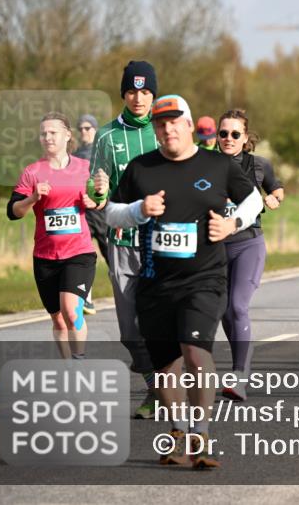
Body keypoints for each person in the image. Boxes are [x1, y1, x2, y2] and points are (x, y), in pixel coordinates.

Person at [104, 94, 262, 469]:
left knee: (195, 351)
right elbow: (111, 213)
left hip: (204, 279)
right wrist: (138, 210)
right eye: (160, 124)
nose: (168, 128)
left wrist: (232, 223)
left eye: (175, 122)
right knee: (166, 365)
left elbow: (254, 199)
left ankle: (201, 433)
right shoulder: (142, 168)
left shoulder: (218, 165)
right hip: (156, 282)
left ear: (189, 125)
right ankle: (178, 430)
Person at [88, 60, 161, 418]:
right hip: (122, 239)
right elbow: (94, 193)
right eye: (132, 91)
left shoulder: (166, 130)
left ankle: (165, 390)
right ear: (123, 93)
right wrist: (98, 190)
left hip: (164, 240)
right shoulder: (105, 136)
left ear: (153, 94)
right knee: (130, 331)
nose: (138, 98)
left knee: (165, 322)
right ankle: (154, 384)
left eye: (145, 91)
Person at [8, 112, 97, 359]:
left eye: (53, 132)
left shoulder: (85, 168)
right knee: (58, 320)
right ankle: (67, 367)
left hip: (79, 252)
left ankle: (79, 366)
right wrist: (32, 198)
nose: (47, 137)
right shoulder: (32, 172)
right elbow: (13, 212)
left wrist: (95, 201)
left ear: (68, 135)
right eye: (43, 133)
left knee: (71, 311)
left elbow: (102, 198)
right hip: (45, 256)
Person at [216, 109, 284, 401]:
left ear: (245, 138)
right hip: (216, 248)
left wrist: (273, 198)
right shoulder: (206, 165)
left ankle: (239, 375)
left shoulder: (258, 165)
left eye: (234, 134)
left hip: (248, 244)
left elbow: (278, 190)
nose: (228, 139)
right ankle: (240, 360)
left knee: (237, 306)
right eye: (223, 133)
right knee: (223, 311)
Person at [73, 114, 104, 315]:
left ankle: (129, 295)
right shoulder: (74, 155)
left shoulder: (103, 152)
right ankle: (87, 300)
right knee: (83, 255)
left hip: (102, 211)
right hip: (83, 211)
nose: (84, 132)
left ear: (95, 129)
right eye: (81, 128)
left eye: (88, 128)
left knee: (113, 257)